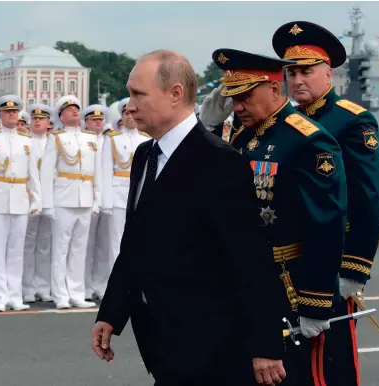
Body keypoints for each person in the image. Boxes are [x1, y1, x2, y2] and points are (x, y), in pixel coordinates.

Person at [92, 49, 286, 386]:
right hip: (162, 343)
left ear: (175, 93)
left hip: (212, 349)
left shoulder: (219, 162)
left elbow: (250, 260)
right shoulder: (145, 155)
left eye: (139, 94)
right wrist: (111, 312)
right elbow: (135, 242)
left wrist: (266, 345)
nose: (130, 105)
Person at [208, 47, 348, 385]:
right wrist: (209, 128)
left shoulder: (307, 141)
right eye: (231, 97)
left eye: (243, 96)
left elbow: (325, 224)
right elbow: (211, 182)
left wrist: (316, 301)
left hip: (288, 284)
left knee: (292, 375)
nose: (236, 106)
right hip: (244, 280)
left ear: (273, 90)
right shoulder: (243, 135)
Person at [272, 20, 379, 385]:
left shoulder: (352, 121)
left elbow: (370, 197)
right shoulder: (285, 123)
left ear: (328, 74)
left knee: (328, 359)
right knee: (291, 359)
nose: (297, 80)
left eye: (306, 71)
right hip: (291, 260)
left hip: (333, 260)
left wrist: (354, 268)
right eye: (291, 72)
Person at [0, 95, 42, 312]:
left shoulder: (27, 140)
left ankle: (15, 295)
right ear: (0, 115)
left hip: (20, 199)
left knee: (16, 251)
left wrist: (36, 198)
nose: (11, 115)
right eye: (7, 112)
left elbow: (33, 173)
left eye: (14, 112)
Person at [40, 95, 100, 309]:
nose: (75, 112)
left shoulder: (90, 139)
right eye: (69, 110)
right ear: (61, 116)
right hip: (63, 199)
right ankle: (60, 295)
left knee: (79, 250)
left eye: (76, 108)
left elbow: (97, 172)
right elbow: (46, 173)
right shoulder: (56, 138)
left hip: (84, 198)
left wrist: (97, 200)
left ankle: (76, 293)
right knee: (60, 249)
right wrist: (47, 204)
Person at [100, 98, 151, 278]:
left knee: (139, 240)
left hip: (139, 195)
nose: (130, 116)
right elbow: (105, 172)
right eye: (126, 113)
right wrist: (105, 202)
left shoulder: (146, 139)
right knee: (116, 242)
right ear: (121, 116)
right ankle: (117, 282)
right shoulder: (112, 139)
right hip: (117, 195)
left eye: (132, 112)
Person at [22, 103, 53, 303]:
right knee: (27, 244)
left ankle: (43, 285)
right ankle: (27, 287)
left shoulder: (53, 142)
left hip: (50, 198)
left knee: (45, 245)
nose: (38, 122)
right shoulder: (25, 143)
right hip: (28, 199)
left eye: (42, 119)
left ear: (49, 122)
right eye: (35, 119)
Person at [81, 104, 111, 301]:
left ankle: (101, 284)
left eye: (100, 120)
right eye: (93, 120)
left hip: (107, 197)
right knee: (86, 245)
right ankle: (84, 285)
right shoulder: (84, 141)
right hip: (85, 196)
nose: (97, 123)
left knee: (104, 245)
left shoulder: (109, 140)